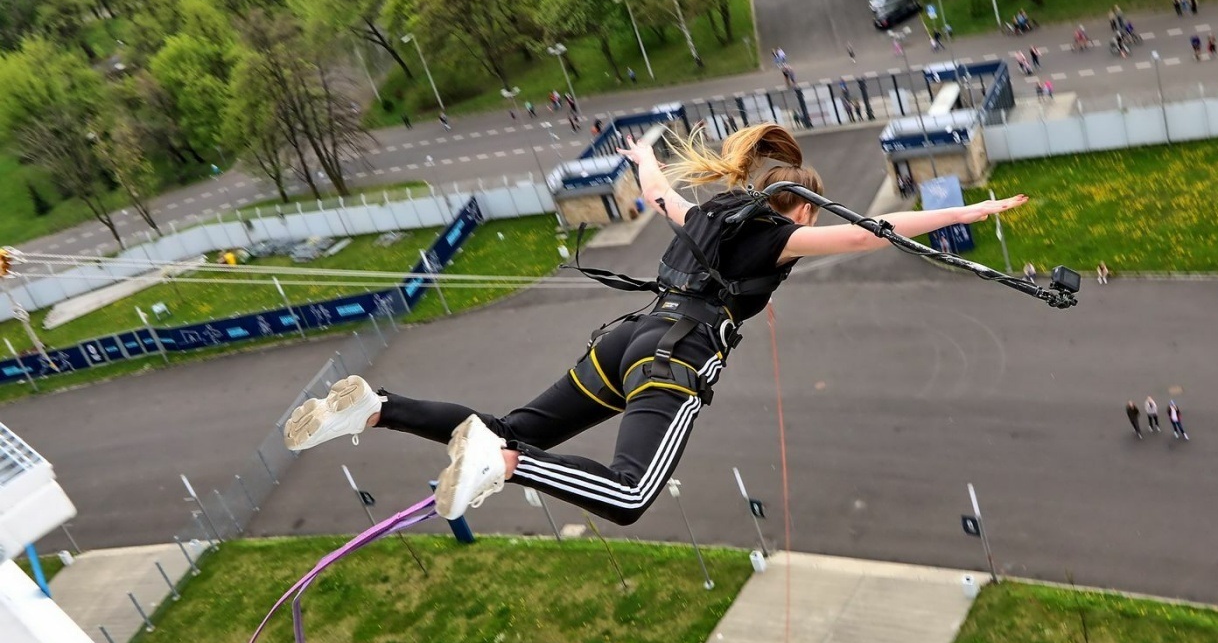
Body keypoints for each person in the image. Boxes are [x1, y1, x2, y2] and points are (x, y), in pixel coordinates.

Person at [282, 124, 1030, 524]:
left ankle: (376, 408)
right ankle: (501, 466)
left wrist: (641, 152)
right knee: (631, 494)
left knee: (515, 423)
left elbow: (654, 193)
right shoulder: (779, 235)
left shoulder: (705, 217)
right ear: (799, 209)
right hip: (672, 358)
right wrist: (969, 209)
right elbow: (876, 231)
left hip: (623, 340)